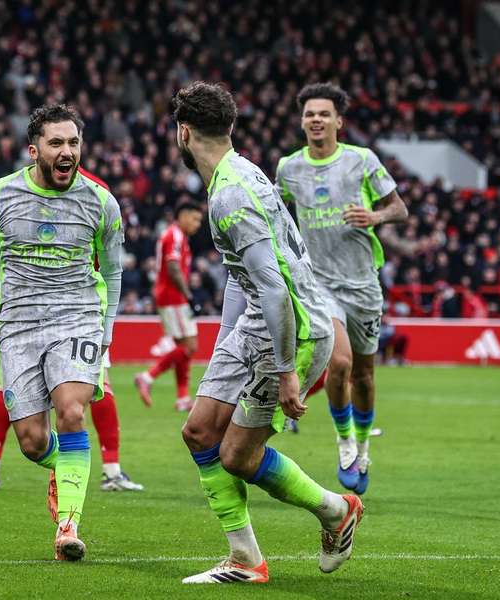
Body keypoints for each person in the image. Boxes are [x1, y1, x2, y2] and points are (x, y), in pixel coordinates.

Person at [173, 81, 362, 584]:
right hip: (258, 324)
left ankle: (335, 510)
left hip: (294, 332)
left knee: (237, 455)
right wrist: (224, 344)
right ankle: (244, 560)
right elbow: (248, 276)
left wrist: (286, 373)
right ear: (229, 128)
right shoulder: (243, 171)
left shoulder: (230, 193)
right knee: (197, 433)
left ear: (182, 132)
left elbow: (275, 288)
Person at [0, 104, 122, 561]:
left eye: (73, 142)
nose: (67, 151)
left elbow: (113, 271)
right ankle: (64, 467)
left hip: (77, 317)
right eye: (56, 143)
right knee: (33, 443)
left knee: (72, 410)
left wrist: (106, 330)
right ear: (34, 150)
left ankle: (68, 526)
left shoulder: (101, 201)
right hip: (15, 324)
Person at [276, 83, 408, 494]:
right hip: (318, 284)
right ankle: (345, 442)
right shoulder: (288, 168)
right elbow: (277, 217)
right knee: (340, 364)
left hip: (363, 282)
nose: (315, 120)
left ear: (338, 121)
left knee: (365, 377)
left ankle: (364, 447)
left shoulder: (361, 161)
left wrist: (374, 216)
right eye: (309, 114)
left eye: (323, 114)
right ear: (302, 122)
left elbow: (400, 209)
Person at [0, 351, 143, 492]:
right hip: (77, 313)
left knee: (11, 382)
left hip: (24, 314)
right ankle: (112, 473)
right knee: (97, 379)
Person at [134, 200, 204, 411]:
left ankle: (182, 398)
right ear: (182, 215)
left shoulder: (177, 235)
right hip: (173, 297)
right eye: (194, 218)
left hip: (169, 296)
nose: (197, 224)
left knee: (184, 348)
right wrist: (189, 295)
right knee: (190, 347)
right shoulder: (174, 234)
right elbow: (173, 268)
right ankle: (147, 376)